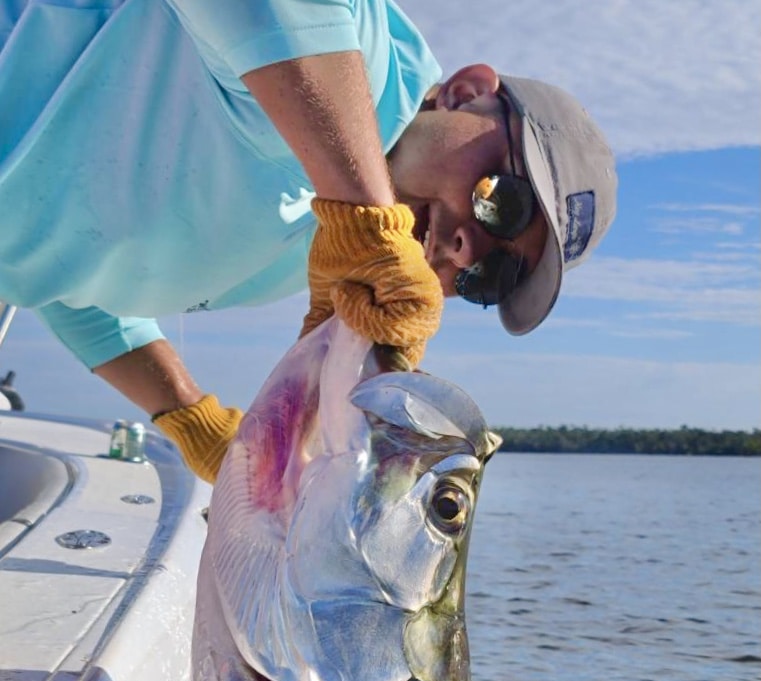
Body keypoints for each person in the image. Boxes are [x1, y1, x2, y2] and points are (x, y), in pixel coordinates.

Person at [0, 0, 616, 483]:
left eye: (495, 276)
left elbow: (71, 285)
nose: (464, 250)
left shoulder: (323, 247)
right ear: (465, 92)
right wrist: (364, 206)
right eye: (503, 203)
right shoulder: (363, 57)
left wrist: (194, 421)